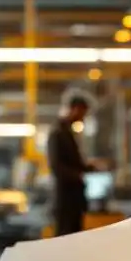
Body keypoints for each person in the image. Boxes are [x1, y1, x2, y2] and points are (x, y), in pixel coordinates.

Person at [46, 90, 96, 236]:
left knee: (73, 237)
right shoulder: (57, 133)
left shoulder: (67, 132)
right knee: (65, 237)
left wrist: (91, 167)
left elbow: (73, 163)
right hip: (65, 199)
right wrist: (78, 175)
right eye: (82, 112)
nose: (83, 117)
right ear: (75, 109)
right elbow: (56, 166)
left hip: (73, 198)